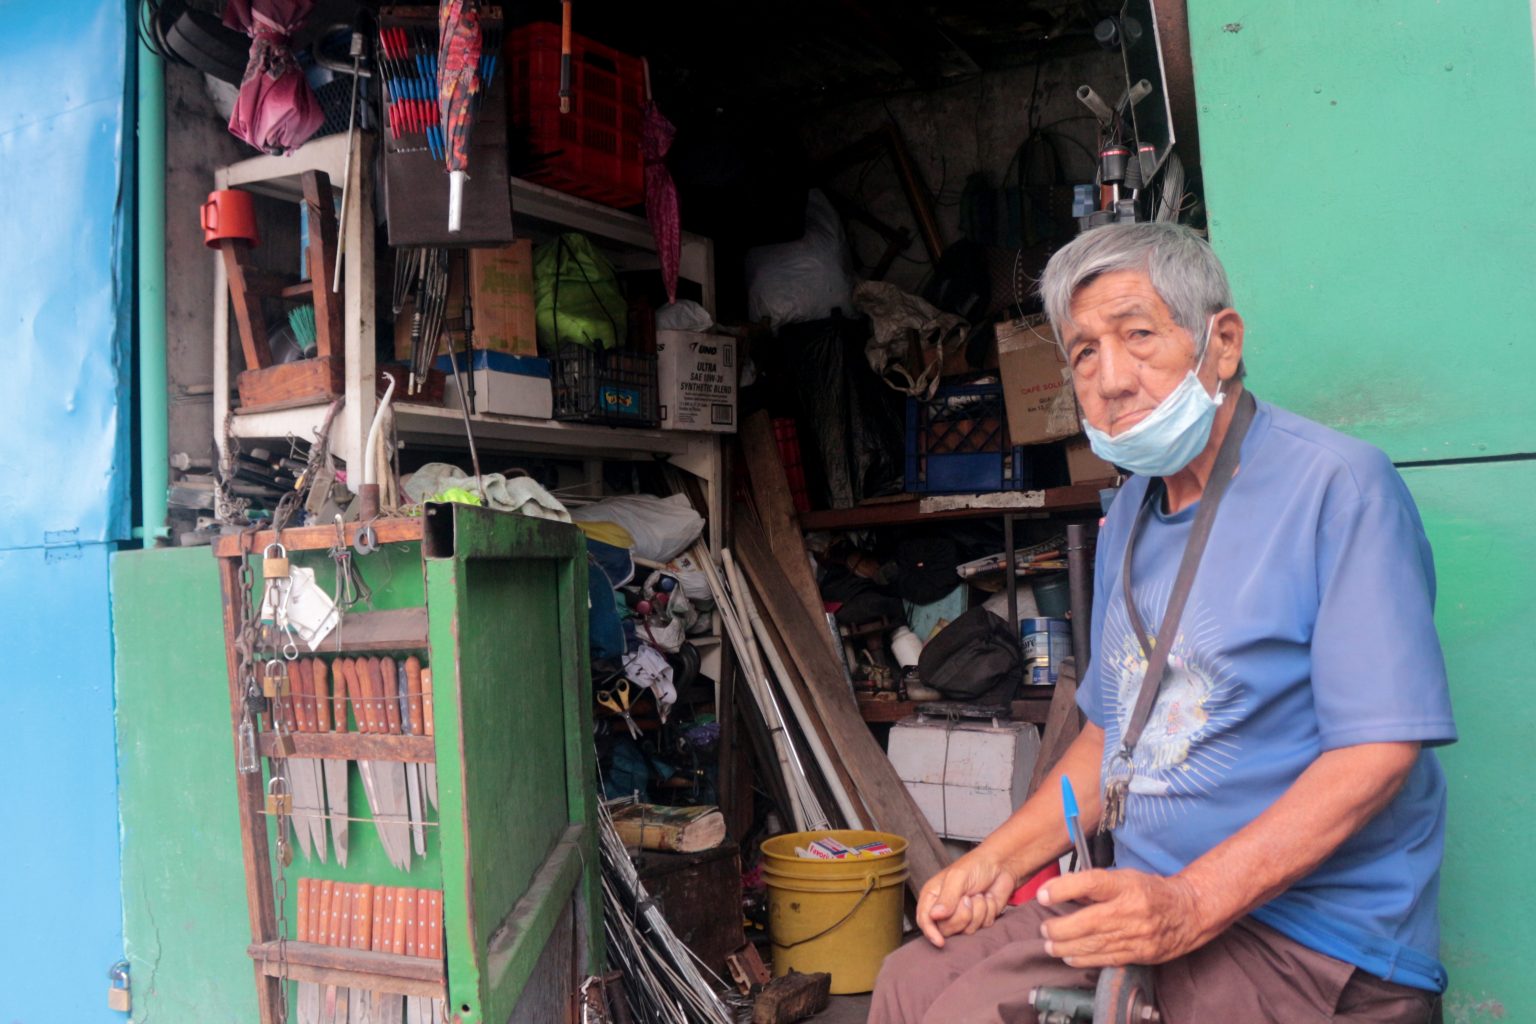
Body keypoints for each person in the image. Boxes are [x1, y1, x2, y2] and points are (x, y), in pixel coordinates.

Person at [868, 223, 1457, 1024]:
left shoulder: (1338, 488)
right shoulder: (1129, 517)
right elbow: (1112, 737)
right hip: (1142, 900)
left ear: (1222, 344)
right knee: (909, 982)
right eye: (1083, 352)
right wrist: (997, 863)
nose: (1110, 379)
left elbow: (1378, 754)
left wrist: (1190, 903)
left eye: (1138, 335)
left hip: (1304, 933)